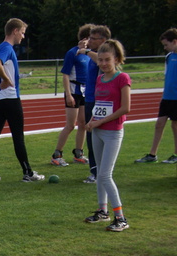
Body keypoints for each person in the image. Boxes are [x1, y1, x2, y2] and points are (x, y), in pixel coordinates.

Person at [0, 18, 44, 183]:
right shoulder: (6, 49)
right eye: (22, 33)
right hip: (10, 98)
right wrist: (8, 80)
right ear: (15, 31)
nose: (23, 37)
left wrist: (3, 79)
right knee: (18, 136)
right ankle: (28, 173)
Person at [83, 40, 131, 232]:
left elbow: (125, 108)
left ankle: (120, 217)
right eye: (100, 60)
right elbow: (100, 106)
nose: (103, 63)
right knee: (99, 174)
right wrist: (92, 121)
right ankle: (103, 211)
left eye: (107, 60)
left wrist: (98, 122)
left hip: (112, 132)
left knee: (105, 174)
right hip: (97, 131)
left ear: (116, 59)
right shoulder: (99, 79)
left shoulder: (122, 78)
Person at [51, 24, 93, 166]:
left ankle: (78, 153)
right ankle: (57, 154)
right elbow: (65, 75)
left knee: (83, 124)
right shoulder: (72, 53)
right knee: (70, 125)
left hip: (85, 91)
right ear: (86, 38)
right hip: (74, 91)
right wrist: (68, 95)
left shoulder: (89, 54)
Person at [135, 28, 177, 164]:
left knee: (175, 126)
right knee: (159, 124)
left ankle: (176, 154)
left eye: (166, 45)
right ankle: (152, 155)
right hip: (167, 97)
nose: (165, 48)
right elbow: (167, 76)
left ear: (175, 42)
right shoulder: (169, 57)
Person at [77, 25, 111, 183]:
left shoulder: (104, 57)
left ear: (103, 40)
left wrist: (85, 51)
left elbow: (100, 61)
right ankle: (95, 170)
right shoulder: (94, 55)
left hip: (99, 101)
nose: (89, 41)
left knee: (99, 136)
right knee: (91, 136)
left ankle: (99, 173)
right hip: (90, 99)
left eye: (93, 38)